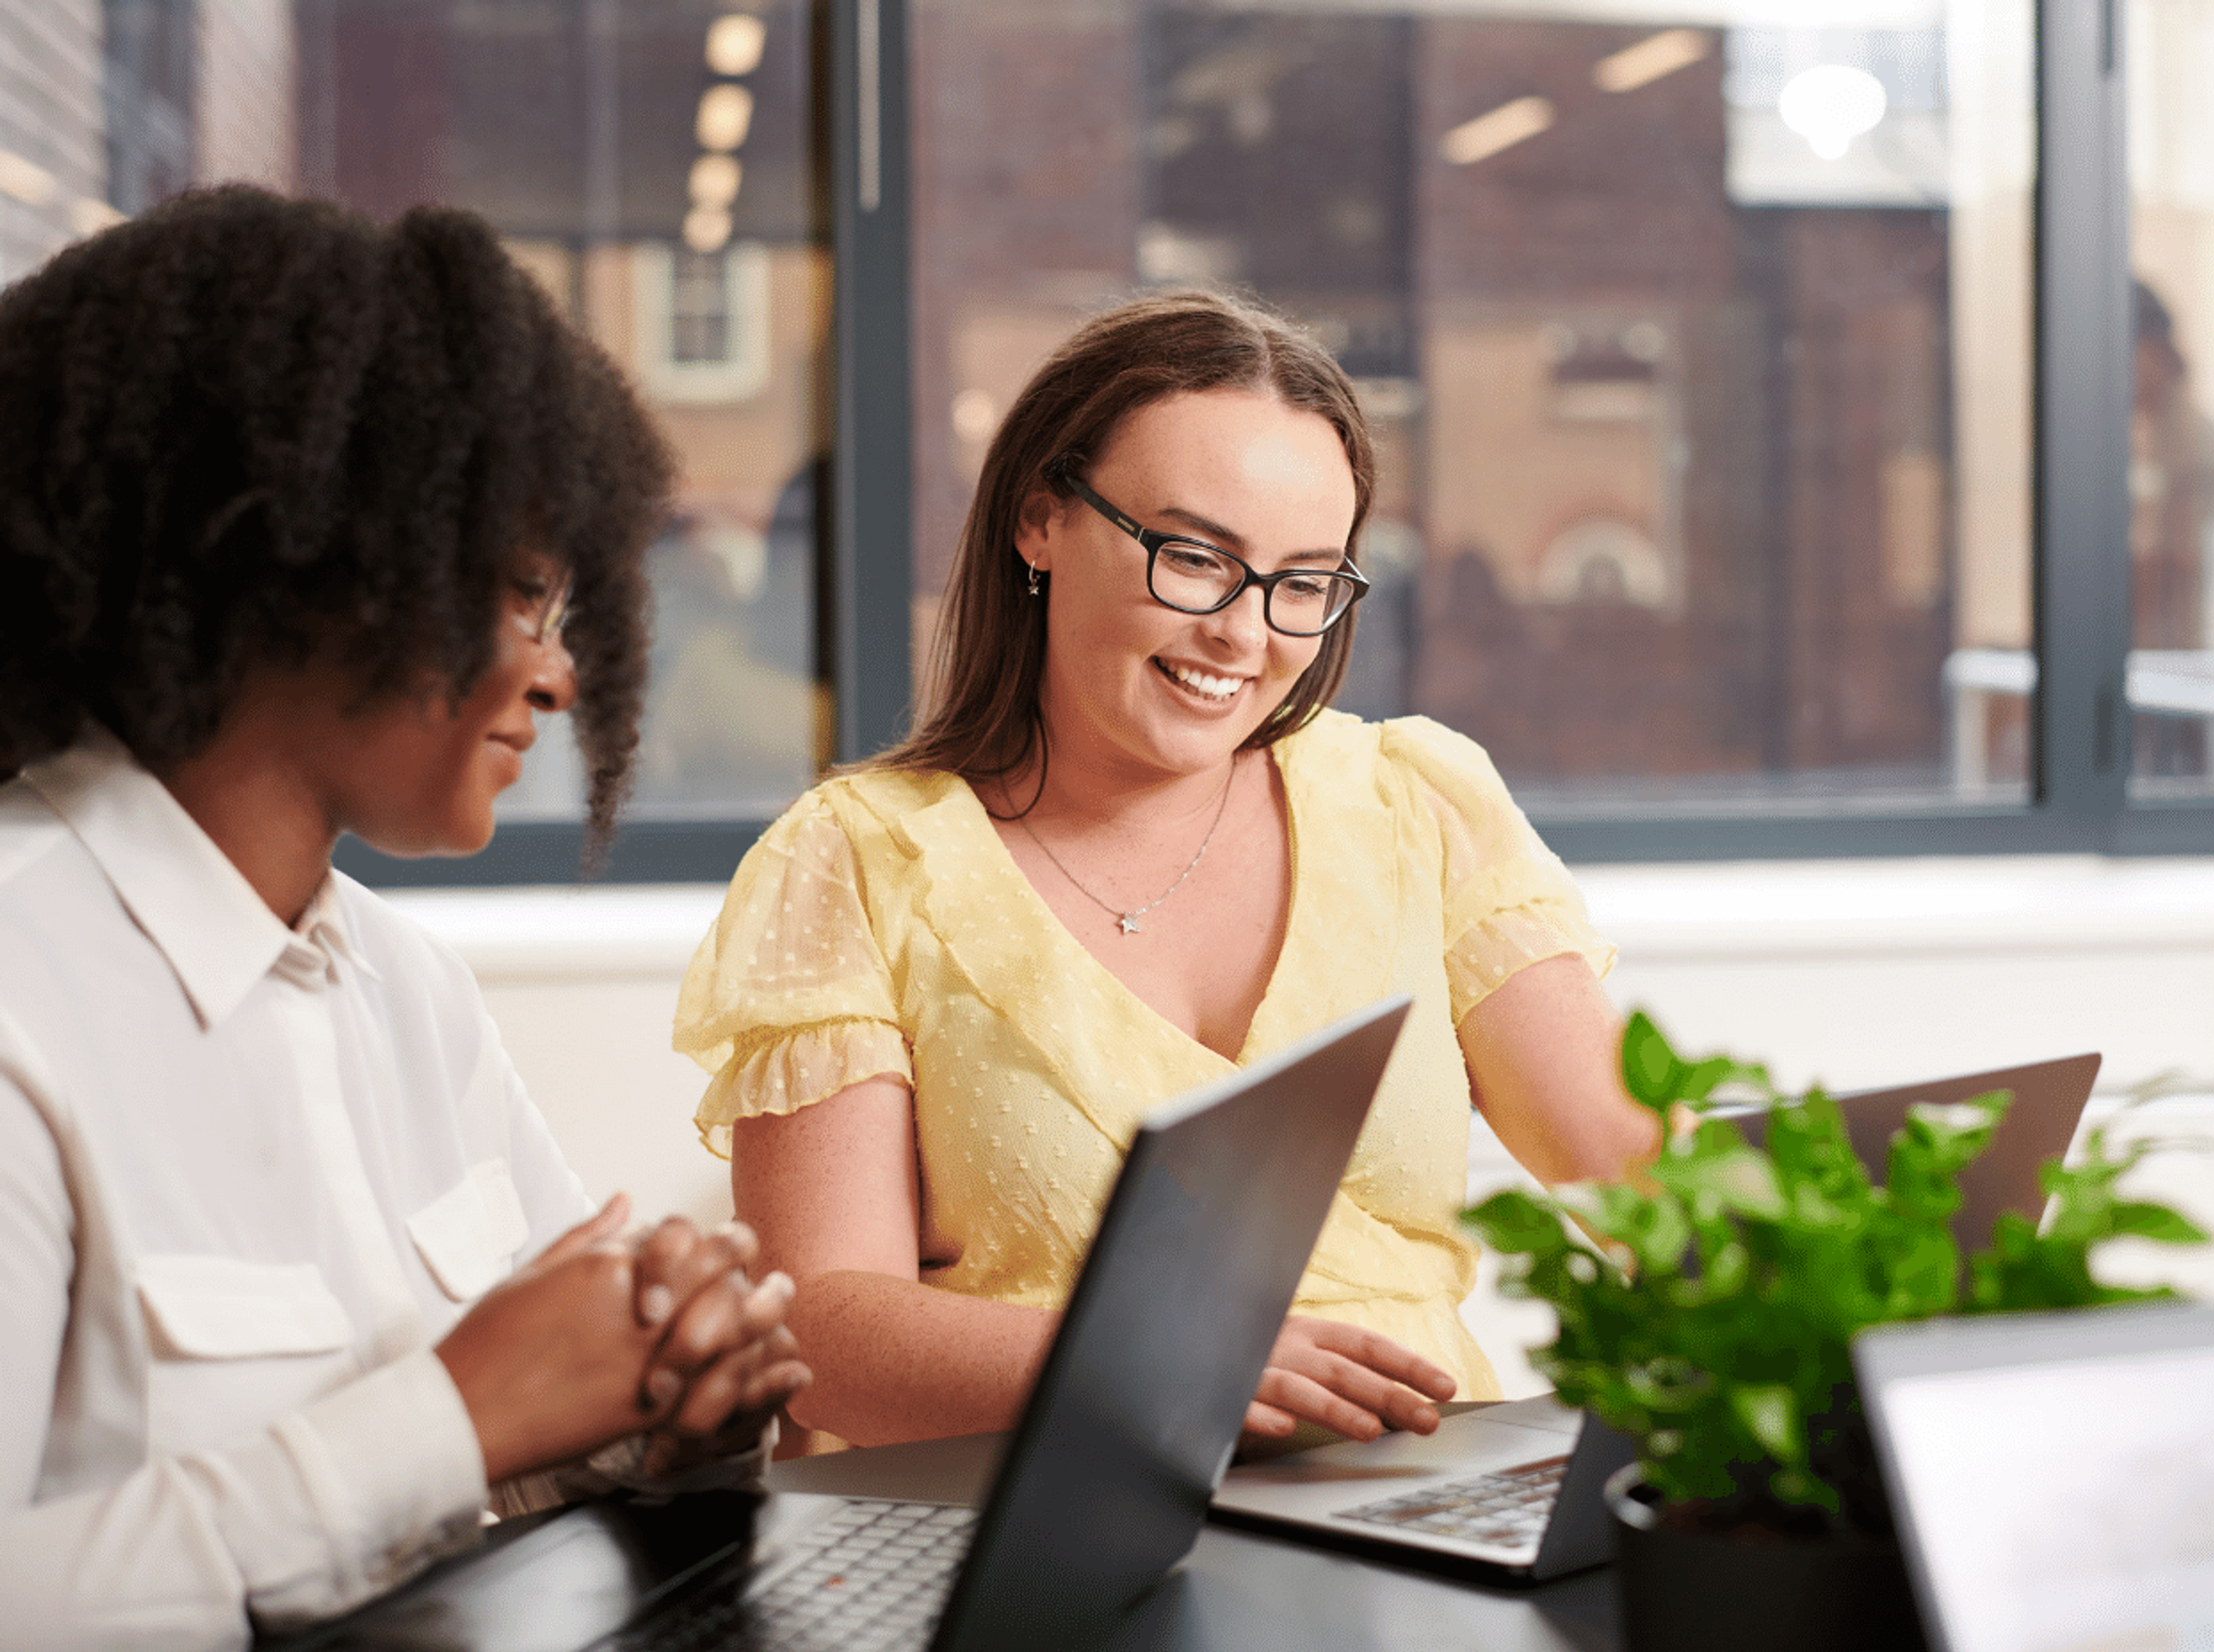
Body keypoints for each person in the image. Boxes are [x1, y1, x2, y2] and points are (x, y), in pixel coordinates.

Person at [0, 187, 809, 1650]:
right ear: (300, 562)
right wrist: (454, 1410)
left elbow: (562, 1419)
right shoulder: (22, 992)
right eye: (518, 594)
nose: (563, 681)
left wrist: (679, 1403)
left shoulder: (404, 985)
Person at [674, 290, 1659, 1453]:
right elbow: (820, 1335)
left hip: (1426, 1531)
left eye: (1304, 581)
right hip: (1050, 1542)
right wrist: (1158, 1361)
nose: (1245, 635)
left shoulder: (1417, 802)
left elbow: (1650, 1180)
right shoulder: (857, 858)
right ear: (1040, 520)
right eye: (1195, 558)